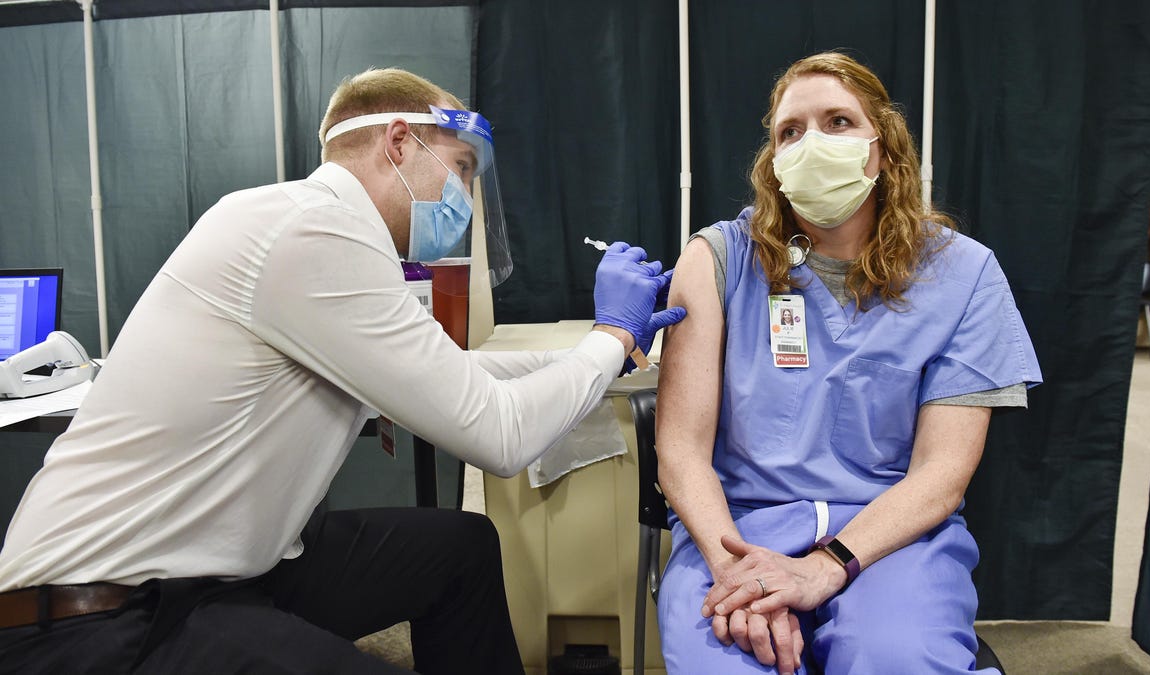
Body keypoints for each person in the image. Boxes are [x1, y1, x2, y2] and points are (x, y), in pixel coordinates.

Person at [0, 68, 683, 674]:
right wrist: (611, 332)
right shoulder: (310, 231)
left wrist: (605, 354)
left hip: (223, 570)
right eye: (463, 169)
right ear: (398, 143)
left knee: (460, 548)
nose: (467, 198)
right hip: (96, 620)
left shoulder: (323, 235)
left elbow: (459, 374)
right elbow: (498, 436)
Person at [654, 52, 1041, 674]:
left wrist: (823, 568)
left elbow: (942, 474)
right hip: (735, 533)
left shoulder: (964, 275)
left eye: (837, 121)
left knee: (894, 656)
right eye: (790, 132)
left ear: (883, 148)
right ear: (773, 164)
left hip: (890, 536)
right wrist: (742, 578)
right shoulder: (717, 259)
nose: (812, 144)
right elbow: (680, 451)